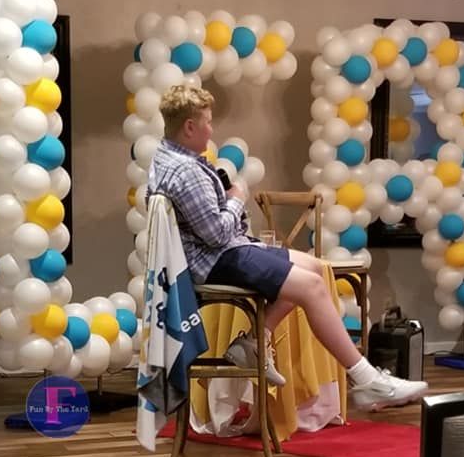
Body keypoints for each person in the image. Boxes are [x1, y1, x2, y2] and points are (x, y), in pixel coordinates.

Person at [147, 85, 428, 411]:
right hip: (215, 259)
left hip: (218, 252)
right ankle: (366, 380)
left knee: (315, 270)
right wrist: (236, 200)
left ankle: (254, 340)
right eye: (207, 123)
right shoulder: (186, 172)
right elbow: (216, 235)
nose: (212, 130)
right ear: (190, 127)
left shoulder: (166, 158)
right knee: (310, 286)